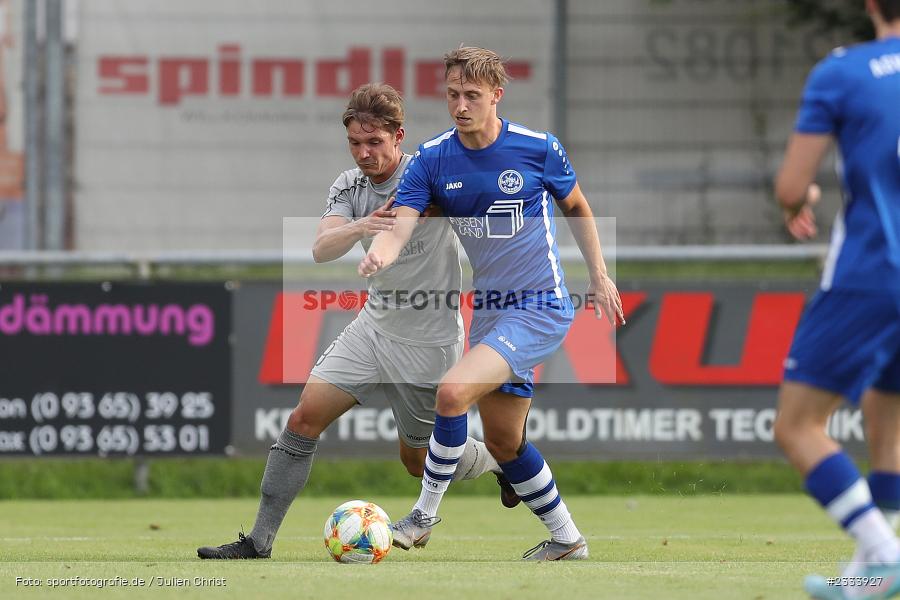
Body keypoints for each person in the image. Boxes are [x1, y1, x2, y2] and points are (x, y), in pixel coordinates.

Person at [197, 83, 517, 560]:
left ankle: (501, 462)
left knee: (418, 461)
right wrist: (362, 226)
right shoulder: (350, 185)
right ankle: (258, 542)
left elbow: (484, 217)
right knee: (303, 418)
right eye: (355, 143)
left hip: (429, 342)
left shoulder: (429, 174)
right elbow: (321, 248)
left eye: (374, 142)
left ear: (398, 136)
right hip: (371, 329)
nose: (364, 153)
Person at [357, 47, 623, 560]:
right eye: (453, 94)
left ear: (496, 95)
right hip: (490, 312)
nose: (460, 106)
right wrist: (382, 253)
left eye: (472, 96)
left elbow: (577, 205)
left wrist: (599, 275)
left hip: (541, 305)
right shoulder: (433, 158)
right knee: (503, 442)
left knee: (452, 392)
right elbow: (403, 220)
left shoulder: (538, 148)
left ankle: (422, 517)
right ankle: (568, 540)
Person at [771, 1, 900, 597]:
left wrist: (803, 201)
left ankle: (885, 552)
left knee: (797, 425)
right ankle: (868, 575)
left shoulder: (844, 71)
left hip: (874, 272)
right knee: (885, 410)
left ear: (871, 5)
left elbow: (791, 188)